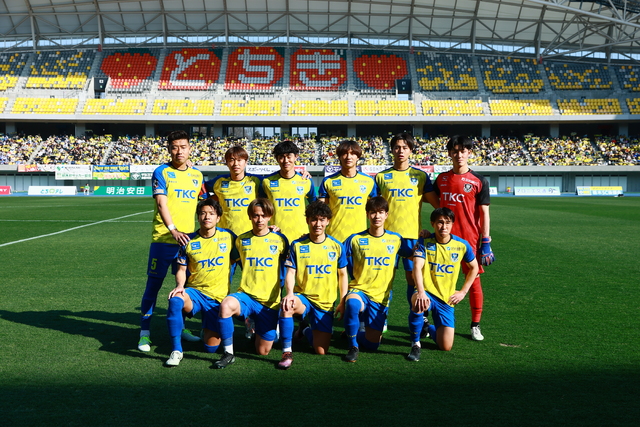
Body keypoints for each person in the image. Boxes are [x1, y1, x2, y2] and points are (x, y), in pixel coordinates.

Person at [138, 130, 204, 352]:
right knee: (153, 286)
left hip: (188, 242)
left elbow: (205, 203)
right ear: (169, 149)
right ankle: (144, 334)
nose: (179, 151)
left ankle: (181, 328)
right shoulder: (161, 172)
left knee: (184, 288)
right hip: (163, 240)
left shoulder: (197, 175)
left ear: (190, 149)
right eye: (174, 147)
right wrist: (173, 229)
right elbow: (161, 204)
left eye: (183, 147)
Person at [375, 132, 439, 337]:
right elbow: (374, 206)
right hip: (387, 239)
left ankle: (421, 318)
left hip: (413, 238)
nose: (400, 151)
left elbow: (438, 206)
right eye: (397, 147)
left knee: (414, 280)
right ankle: (381, 317)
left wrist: (435, 230)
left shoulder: (420, 176)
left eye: (405, 147)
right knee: (384, 280)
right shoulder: (382, 177)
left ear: (411, 150)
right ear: (391, 150)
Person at [213, 198, 289, 369]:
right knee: (226, 305)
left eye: (263, 215)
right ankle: (228, 353)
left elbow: (290, 266)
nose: (259, 219)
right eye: (255, 215)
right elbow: (229, 262)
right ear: (249, 216)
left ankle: (254, 323)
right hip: (246, 296)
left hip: (269, 302)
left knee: (262, 351)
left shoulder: (280, 239)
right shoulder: (241, 240)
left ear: (270, 216)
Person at [165, 199, 239, 366]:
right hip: (195, 294)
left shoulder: (228, 237)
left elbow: (247, 252)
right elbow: (181, 269)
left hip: (218, 299)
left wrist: (270, 230)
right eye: (203, 213)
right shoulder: (187, 240)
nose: (207, 217)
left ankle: (206, 328)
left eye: (211, 213)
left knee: (210, 348)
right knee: (175, 300)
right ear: (198, 217)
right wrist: (180, 286)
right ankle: (176, 351)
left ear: (218, 218)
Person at [434, 135, 494, 341]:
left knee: (474, 281)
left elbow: (484, 213)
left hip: (469, 240)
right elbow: (434, 202)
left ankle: (475, 325)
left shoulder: (479, 181)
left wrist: (486, 241)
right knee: (438, 279)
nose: (459, 155)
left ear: (469, 153)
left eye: (463, 151)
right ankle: (433, 321)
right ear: (449, 153)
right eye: (455, 151)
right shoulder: (441, 179)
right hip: (443, 239)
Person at [277, 201, 348, 369]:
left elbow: (343, 274)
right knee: (287, 306)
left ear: (328, 221)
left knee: (321, 350)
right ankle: (287, 352)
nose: (318, 224)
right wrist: (289, 293)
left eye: (322, 220)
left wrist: (342, 300)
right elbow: (291, 272)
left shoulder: (336, 246)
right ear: (308, 220)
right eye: (314, 219)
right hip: (304, 298)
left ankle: (304, 329)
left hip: (325, 302)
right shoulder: (297, 245)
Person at [408, 207, 479, 359]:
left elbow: (475, 268)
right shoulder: (424, 242)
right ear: (433, 224)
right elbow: (417, 267)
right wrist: (421, 292)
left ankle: (428, 327)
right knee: (418, 302)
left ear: (452, 224)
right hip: (426, 292)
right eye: (440, 222)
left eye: (447, 222)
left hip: (446, 298)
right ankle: (415, 344)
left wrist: (463, 292)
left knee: (446, 346)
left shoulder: (462, 245)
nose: (444, 226)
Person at [342, 196, 402, 362]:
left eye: (380, 212)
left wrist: (426, 236)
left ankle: (353, 333)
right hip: (359, 290)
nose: (377, 216)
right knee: (352, 304)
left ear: (386, 215)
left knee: (372, 344)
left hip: (380, 296)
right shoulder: (355, 239)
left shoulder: (396, 239)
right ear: (367, 214)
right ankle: (353, 346)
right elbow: (335, 252)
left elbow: (415, 254)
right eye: (373, 212)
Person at [318, 140, 378, 243]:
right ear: (339, 157)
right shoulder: (328, 181)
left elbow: (375, 210)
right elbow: (319, 211)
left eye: (353, 153)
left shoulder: (369, 181)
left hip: (360, 238)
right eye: (345, 153)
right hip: (335, 238)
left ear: (358, 157)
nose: (348, 157)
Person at [261, 140, 316, 244]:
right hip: (275, 235)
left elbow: (315, 206)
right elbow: (260, 208)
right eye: (281, 157)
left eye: (289, 156)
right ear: (276, 158)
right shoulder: (267, 182)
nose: (286, 160)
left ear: (296, 157)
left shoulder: (306, 180)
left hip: (301, 236)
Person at [203, 146, 263, 236]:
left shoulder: (255, 181)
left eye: (239, 160)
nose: (235, 164)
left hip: (250, 235)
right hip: (224, 235)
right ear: (226, 163)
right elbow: (200, 186)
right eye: (231, 160)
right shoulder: (219, 181)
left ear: (246, 162)